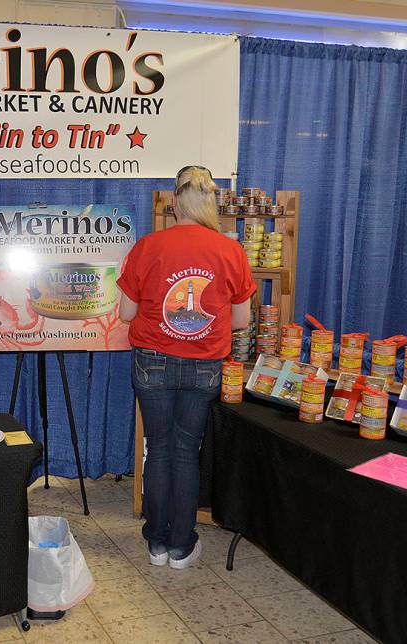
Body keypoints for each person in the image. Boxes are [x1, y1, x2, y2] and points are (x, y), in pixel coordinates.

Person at [117, 165, 254, 570]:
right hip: (204, 365)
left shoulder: (148, 246)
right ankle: (181, 545)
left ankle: (157, 543)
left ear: (174, 202)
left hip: (153, 362)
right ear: (210, 202)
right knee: (185, 452)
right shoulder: (231, 251)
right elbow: (242, 320)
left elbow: (126, 312)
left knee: (157, 450)